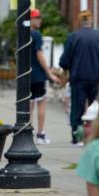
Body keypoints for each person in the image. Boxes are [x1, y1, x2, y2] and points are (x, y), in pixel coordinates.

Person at [60, 10, 99, 146]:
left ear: (79, 22)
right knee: (97, 106)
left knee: (77, 107)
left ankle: (76, 135)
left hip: (78, 77)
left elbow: (65, 60)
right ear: (91, 21)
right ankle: (96, 134)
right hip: (97, 77)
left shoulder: (73, 37)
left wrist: (66, 69)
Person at [29, 9, 61, 145]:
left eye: (40, 18)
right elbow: (40, 55)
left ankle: (26, 134)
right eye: (36, 18)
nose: (39, 20)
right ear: (30, 19)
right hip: (38, 75)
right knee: (41, 103)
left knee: (28, 106)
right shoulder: (36, 35)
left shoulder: (22, 34)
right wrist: (50, 74)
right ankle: (40, 135)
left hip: (26, 75)